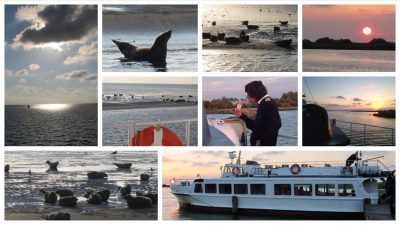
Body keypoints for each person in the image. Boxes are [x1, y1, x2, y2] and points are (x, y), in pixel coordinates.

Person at [234, 81, 281, 146]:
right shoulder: (264, 103)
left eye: (248, 94)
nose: (247, 97)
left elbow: (276, 124)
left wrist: (262, 142)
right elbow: (257, 126)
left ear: (254, 93)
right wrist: (242, 116)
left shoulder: (268, 103)